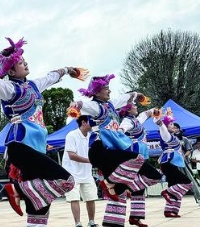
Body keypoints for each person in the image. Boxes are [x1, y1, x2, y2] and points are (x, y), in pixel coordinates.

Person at [0, 37, 81, 227]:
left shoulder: (34, 85)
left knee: (40, 205)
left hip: (37, 148)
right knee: (66, 180)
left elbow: (51, 76)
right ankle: (17, 190)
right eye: (20, 62)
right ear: (11, 70)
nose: (25, 63)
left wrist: (68, 70)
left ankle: (23, 199)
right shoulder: (10, 89)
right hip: (20, 146)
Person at [70, 75, 161, 227]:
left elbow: (124, 98)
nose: (109, 91)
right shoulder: (96, 106)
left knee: (148, 178)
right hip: (100, 151)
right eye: (106, 89)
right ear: (97, 92)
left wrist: (136, 95)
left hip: (110, 152)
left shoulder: (110, 105)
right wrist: (75, 104)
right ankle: (110, 183)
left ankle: (113, 220)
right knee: (136, 158)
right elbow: (82, 105)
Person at [118, 103, 156, 227]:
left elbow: (145, 114)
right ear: (128, 110)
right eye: (134, 106)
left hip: (141, 154)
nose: (136, 107)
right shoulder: (127, 121)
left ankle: (135, 217)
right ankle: (126, 187)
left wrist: (155, 111)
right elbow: (120, 131)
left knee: (141, 187)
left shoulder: (136, 119)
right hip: (134, 154)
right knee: (152, 176)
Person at [61, 115, 99, 227]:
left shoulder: (92, 136)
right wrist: (90, 160)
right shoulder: (72, 135)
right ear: (83, 122)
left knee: (91, 197)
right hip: (71, 172)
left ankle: (91, 222)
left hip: (86, 172)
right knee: (74, 198)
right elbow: (72, 155)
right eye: (91, 122)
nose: (93, 124)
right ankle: (78, 223)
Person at [154, 111, 193, 218]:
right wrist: (161, 122)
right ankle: (167, 192)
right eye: (171, 124)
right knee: (187, 183)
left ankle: (170, 211)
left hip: (171, 164)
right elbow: (162, 126)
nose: (174, 127)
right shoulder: (166, 135)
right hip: (168, 164)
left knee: (174, 187)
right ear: (166, 126)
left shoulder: (173, 136)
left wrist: (168, 115)